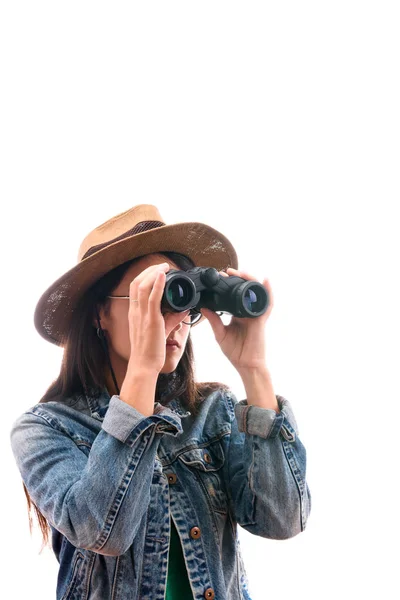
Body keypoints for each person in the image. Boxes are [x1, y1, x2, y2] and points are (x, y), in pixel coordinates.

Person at [10, 203, 311, 600]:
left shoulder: (211, 410)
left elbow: (282, 519)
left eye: (179, 295)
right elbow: (104, 530)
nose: (175, 318)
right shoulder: (45, 428)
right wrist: (143, 371)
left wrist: (254, 370)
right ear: (101, 313)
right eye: (150, 297)